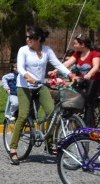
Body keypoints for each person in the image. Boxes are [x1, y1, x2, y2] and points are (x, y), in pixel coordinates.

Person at [8, 26, 76, 164]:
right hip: (25, 86)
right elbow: (20, 67)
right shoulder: (23, 50)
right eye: (26, 37)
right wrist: (27, 76)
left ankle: (50, 143)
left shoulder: (47, 50)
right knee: (23, 114)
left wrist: (70, 74)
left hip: (40, 85)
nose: (27, 40)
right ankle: (13, 149)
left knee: (52, 113)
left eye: (30, 37)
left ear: (38, 39)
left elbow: (58, 64)